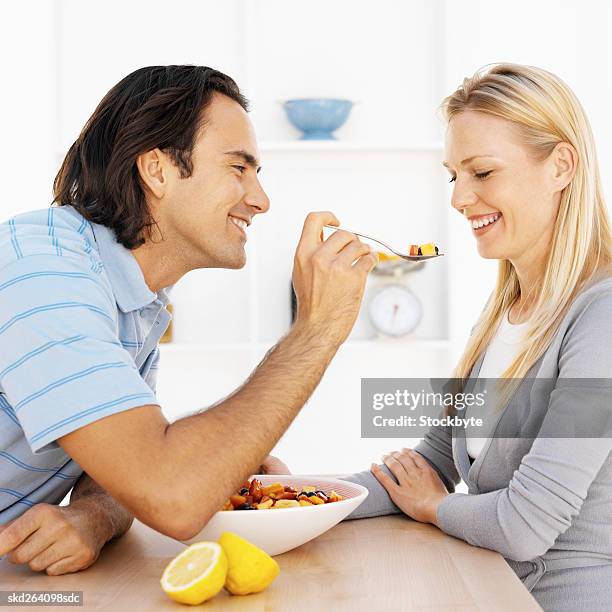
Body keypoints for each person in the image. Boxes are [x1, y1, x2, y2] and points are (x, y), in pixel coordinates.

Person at [0, 65, 377, 575]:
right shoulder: (42, 274)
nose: (260, 201)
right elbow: (171, 492)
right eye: (238, 168)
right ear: (157, 170)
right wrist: (316, 328)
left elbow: (121, 465)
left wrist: (94, 513)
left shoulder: (133, 297)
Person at [335, 64, 612, 611]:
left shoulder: (602, 319)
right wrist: (295, 496)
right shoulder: (505, 312)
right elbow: (427, 466)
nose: (460, 199)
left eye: (482, 172)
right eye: (453, 176)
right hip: (493, 593)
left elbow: (525, 525)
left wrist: (436, 509)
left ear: (561, 166)